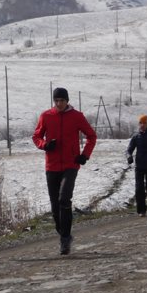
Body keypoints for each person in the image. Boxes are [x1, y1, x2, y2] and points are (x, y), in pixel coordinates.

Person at [32, 87, 97, 255]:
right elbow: (36, 137)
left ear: (67, 101)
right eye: (56, 100)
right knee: (55, 207)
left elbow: (92, 136)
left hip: (71, 164)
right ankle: (64, 234)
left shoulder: (77, 117)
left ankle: (65, 239)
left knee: (64, 198)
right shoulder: (46, 116)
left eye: (62, 100)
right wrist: (45, 145)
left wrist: (84, 155)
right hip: (51, 165)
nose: (59, 103)